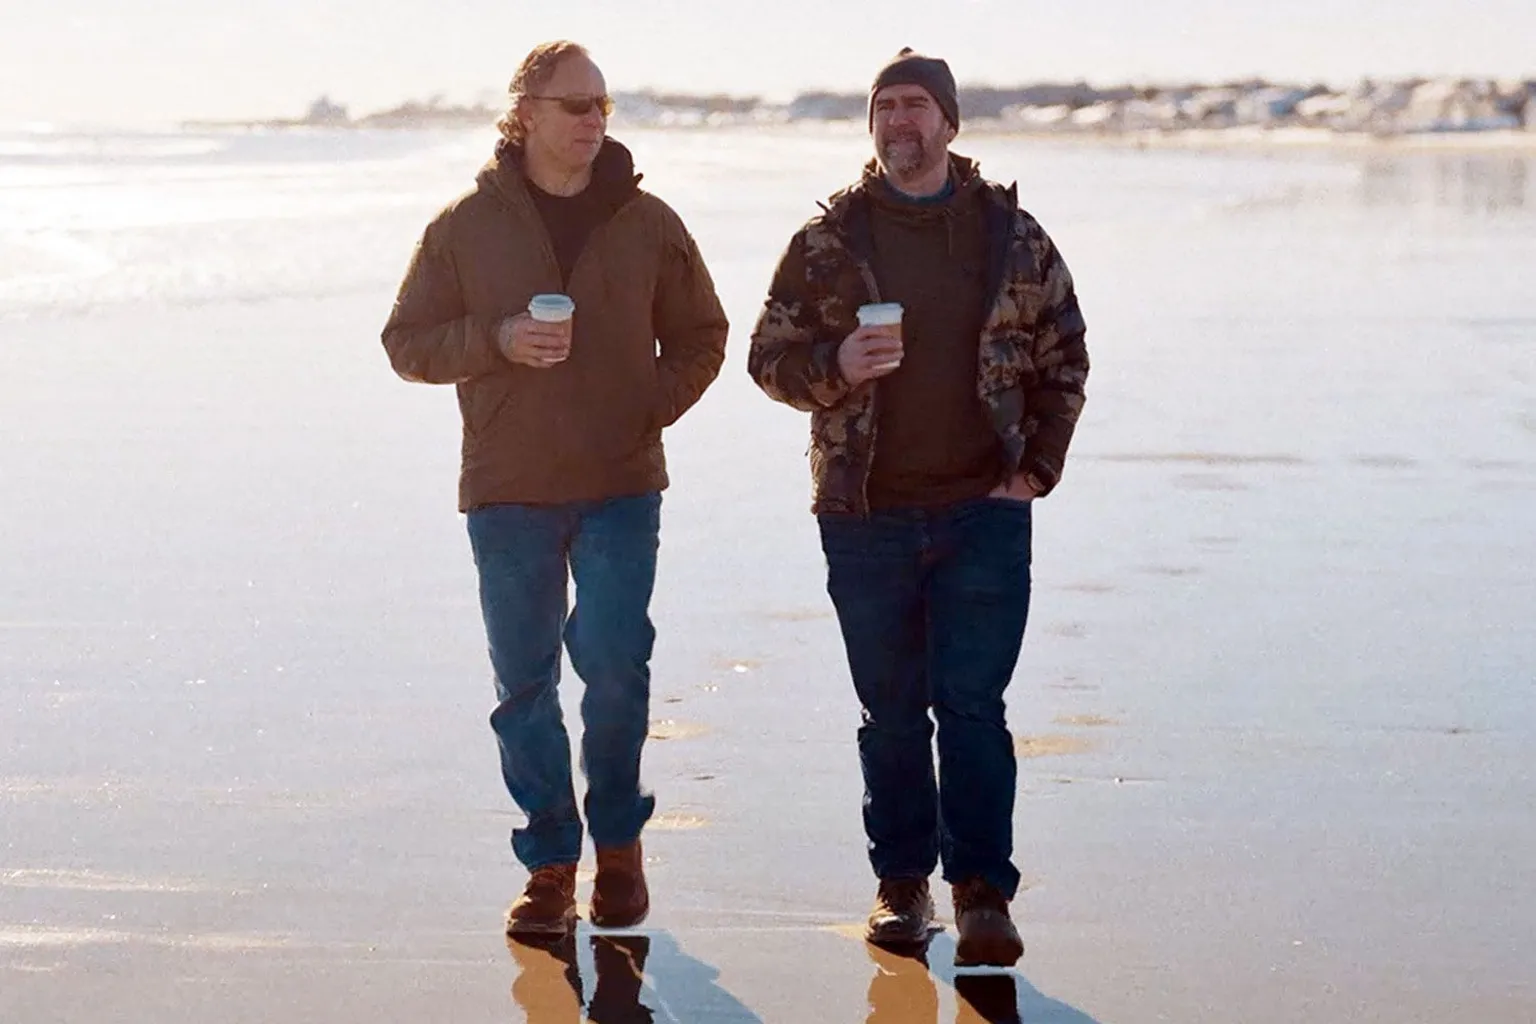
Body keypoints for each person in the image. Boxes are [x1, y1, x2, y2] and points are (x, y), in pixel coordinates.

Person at [747, 48, 1089, 967]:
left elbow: (1067, 351)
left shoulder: (1009, 235)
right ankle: (902, 886)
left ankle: (981, 892)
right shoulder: (829, 241)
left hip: (985, 508)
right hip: (864, 515)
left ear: (949, 123)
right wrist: (833, 370)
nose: (901, 122)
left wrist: (1036, 470)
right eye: (885, 108)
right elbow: (767, 356)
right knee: (891, 710)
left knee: (973, 706)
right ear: (872, 127)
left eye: (917, 106)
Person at [382, 40, 728, 937]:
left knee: (614, 669)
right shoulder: (465, 225)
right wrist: (495, 340)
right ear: (525, 111)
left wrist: (648, 407)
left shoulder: (647, 221)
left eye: (604, 106)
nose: (593, 121)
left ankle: (618, 847)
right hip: (509, 487)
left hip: (620, 483)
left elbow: (704, 332)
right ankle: (549, 861)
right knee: (523, 686)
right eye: (576, 105)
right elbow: (406, 342)